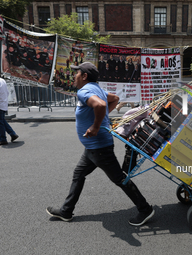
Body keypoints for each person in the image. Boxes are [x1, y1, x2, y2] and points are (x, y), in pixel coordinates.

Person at [46, 62, 154, 226]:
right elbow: (115, 99)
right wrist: (101, 119)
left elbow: (101, 104)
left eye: (77, 73)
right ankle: (66, 211)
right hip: (92, 148)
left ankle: (145, 209)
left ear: (84, 76)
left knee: (120, 179)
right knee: (79, 174)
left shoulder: (85, 91)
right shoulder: (96, 89)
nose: (74, 76)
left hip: (99, 147)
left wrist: (96, 126)